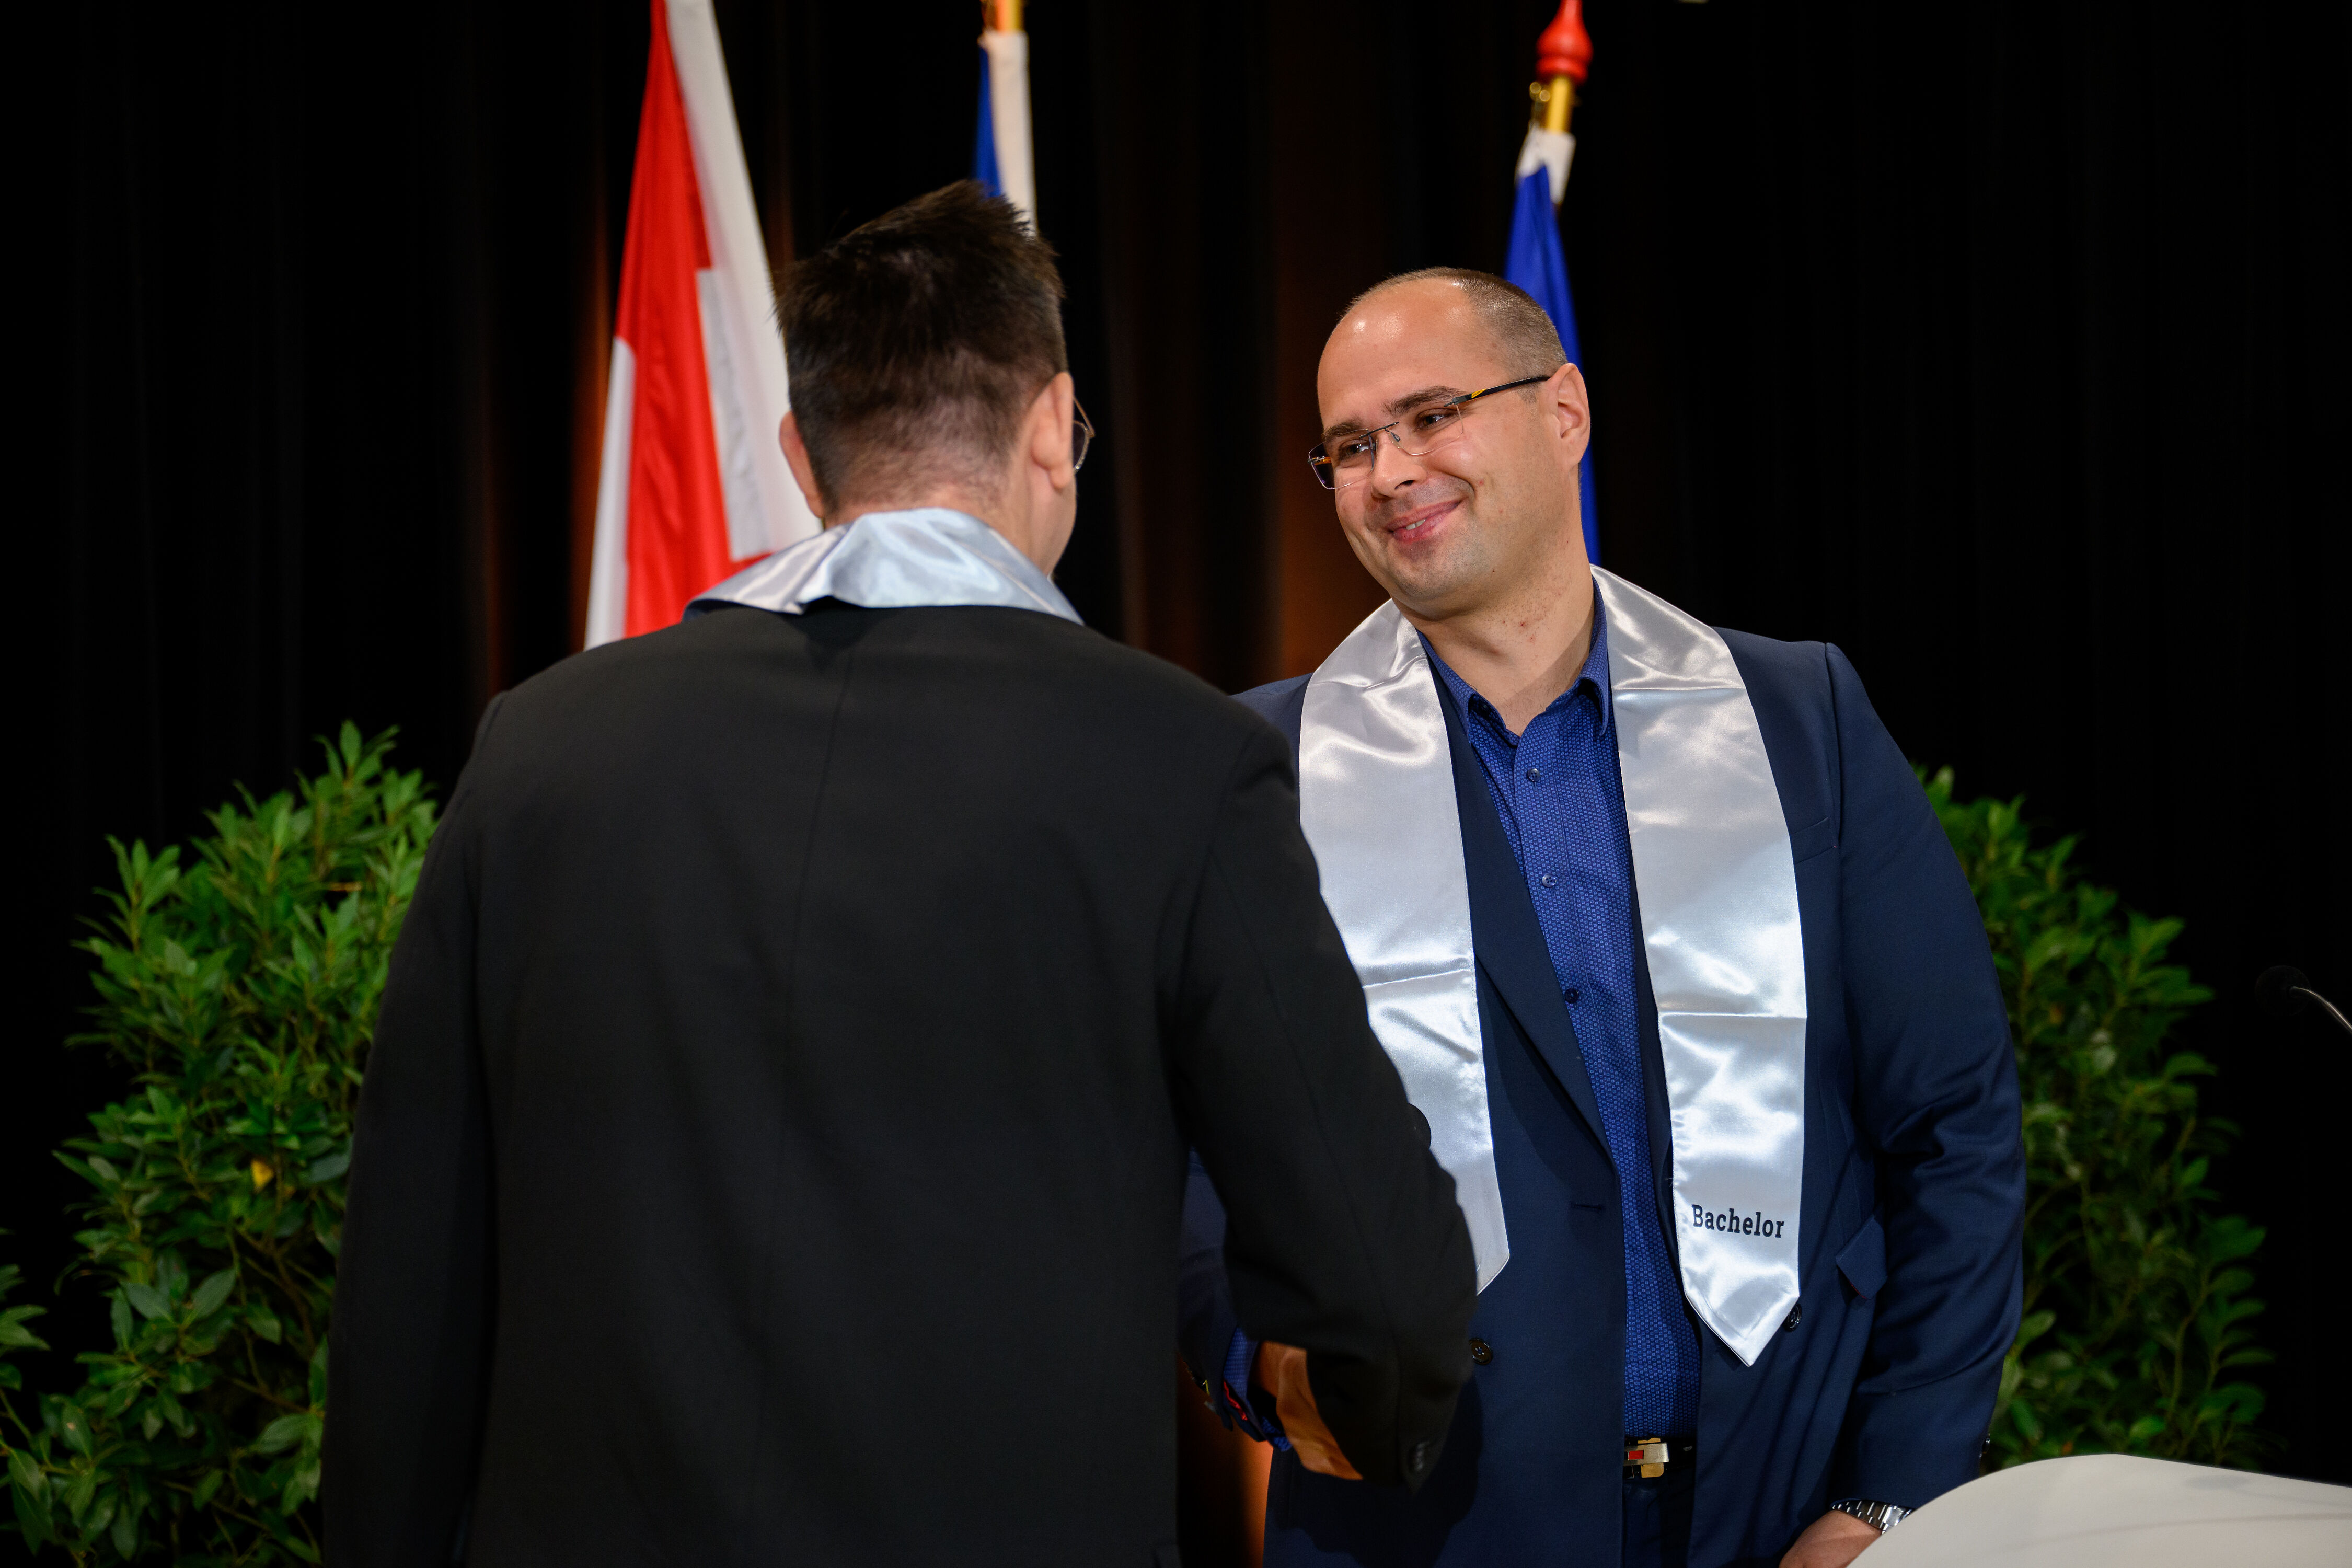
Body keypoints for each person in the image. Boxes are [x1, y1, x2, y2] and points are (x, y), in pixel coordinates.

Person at [324, 183, 1478, 1566]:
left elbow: (411, 1274)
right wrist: (1378, 1416)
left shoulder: (538, 746)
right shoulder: (1180, 761)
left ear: (799, 457)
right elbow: (1374, 1274)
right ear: (1053, 427)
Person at [1179, 269, 2025, 1568]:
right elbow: (1177, 1151)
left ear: (1564, 411)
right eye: (1349, 446)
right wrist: (1266, 1367)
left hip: (1776, 1510)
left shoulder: (1798, 721)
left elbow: (1953, 1123)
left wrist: (1890, 1494)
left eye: (1431, 415)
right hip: (1420, 1523)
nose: (1389, 472)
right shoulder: (1253, 770)